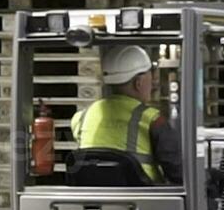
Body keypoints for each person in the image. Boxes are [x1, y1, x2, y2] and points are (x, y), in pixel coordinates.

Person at [70, 45, 182, 184]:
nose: (153, 83)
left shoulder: (81, 117)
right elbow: (178, 172)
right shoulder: (152, 119)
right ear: (138, 83)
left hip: (92, 200)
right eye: (150, 75)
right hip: (143, 201)